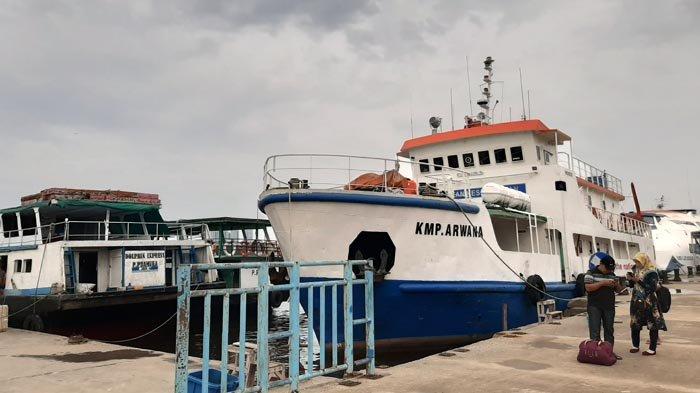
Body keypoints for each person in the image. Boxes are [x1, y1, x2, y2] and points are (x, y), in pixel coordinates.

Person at [584, 252, 623, 359]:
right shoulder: (590, 273)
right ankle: (595, 353)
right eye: (607, 268)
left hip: (609, 306)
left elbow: (619, 290)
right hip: (594, 306)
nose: (609, 271)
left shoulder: (612, 274)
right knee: (595, 330)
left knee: (609, 330)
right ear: (601, 264)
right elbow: (588, 288)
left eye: (611, 269)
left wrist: (617, 285)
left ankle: (608, 352)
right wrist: (602, 283)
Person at [627, 252, 667, 356]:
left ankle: (652, 349)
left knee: (652, 324)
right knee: (635, 323)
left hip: (649, 301)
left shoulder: (651, 272)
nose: (637, 264)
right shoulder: (636, 270)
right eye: (635, 261)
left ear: (644, 261)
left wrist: (638, 280)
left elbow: (651, 288)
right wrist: (631, 280)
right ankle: (635, 345)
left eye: (638, 261)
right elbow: (632, 286)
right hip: (636, 300)